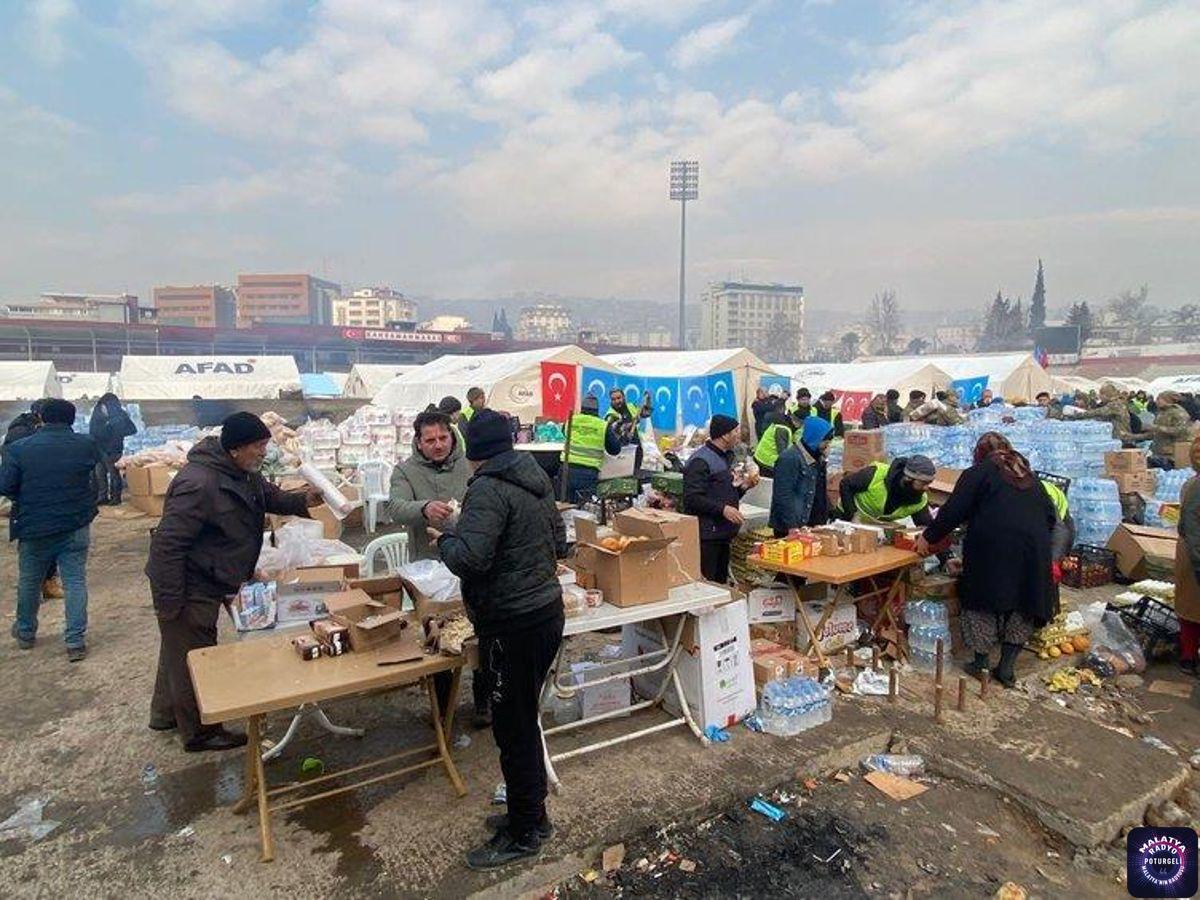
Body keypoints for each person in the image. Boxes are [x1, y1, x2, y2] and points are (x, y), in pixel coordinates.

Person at [431, 409, 567, 869]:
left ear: (472, 449)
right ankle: (530, 816)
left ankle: (526, 830)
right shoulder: (535, 476)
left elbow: (470, 559)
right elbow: (559, 541)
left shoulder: (488, 488)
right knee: (522, 721)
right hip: (545, 612)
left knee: (515, 729)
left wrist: (445, 539)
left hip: (513, 622)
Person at [145, 413, 322, 751]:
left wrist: (304, 500)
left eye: (265, 445)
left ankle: (166, 713)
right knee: (194, 654)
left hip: (220, 571)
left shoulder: (243, 472)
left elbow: (270, 497)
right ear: (236, 448)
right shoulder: (198, 483)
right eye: (258, 447)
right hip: (191, 581)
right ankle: (200, 732)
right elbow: (167, 546)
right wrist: (169, 601)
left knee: (178, 646)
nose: (263, 452)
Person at [917, 433, 1055, 688]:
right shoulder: (1028, 476)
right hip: (1032, 549)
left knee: (982, 599)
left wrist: (929, 537)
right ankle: (1007, 669)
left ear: (979, 453)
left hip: (992, 546)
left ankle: (980, 663)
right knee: (1022, 602)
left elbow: (954, 511)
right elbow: (1050, 516)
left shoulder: (978, 473)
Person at [387, 408, 491, 726]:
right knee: (441, 639)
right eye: (430, 440)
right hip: (431, 569)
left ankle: (484, 704)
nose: (438, 445)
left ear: (452, 436)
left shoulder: (468, 464)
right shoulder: (405, 471)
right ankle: (442, 708)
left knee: (481, 633)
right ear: (418, 443)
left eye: (443, 437)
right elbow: (395, 507)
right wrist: (424, 508)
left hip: (472, 560)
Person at [0, 399, 102, 661]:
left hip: (35, 526)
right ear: (71, 420)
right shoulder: (85, 444)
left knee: (29, 581)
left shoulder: (20, 449)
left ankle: (25, 633)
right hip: (75, 523)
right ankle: (75, 641)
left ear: (42, 419)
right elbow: (92, 473)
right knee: (75, 581)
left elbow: (6, 486)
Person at [683, 414, 752, 583]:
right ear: (724, 435)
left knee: (721, 582)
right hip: (707, 534)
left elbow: (725, 492)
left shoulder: (726, 456)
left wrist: (744, 487)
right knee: (708, 582)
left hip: (724, 532)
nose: (739, 434)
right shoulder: (700, 461)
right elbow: (692, 498)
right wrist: (723, 509)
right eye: (735, 431)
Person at [769, 417, 834, 536]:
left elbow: (819, 490)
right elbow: (783, 494)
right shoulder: (790, 458)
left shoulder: (818, 457)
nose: (828, 445)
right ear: (815, 438)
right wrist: (792, 526)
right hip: (792, 527)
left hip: (811, 525)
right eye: (826, 441)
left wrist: (829, 515)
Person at [839, 455, 936, 525]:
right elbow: (846, 484)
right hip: (846, 518)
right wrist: (852, 516)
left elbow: (924, 525)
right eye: (923, 483)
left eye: (929, 483)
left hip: (874, 530)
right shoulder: (875, 474)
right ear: (908, 478)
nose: (926, 488)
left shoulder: (919, 500)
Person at [559, 394, 621, 504]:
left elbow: (565, 434)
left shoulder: (571, 420)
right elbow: (615, 450)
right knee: (585, 510)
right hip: (588, 473)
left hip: (566, 470)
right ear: (597, 410)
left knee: (565, 506)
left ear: (582, 409)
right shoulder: (603, 425)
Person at [1173, 436, 1200, 676]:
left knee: (1189, 608)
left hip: (1188, 551)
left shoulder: (1189, 485)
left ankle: (1188, 656)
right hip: (1195, 552)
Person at [88, 392, 137, 505]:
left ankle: (114, 497)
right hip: (102, 448)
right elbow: (93, 432)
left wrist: (116, 430)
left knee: (112, 474)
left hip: (112, 449)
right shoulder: (98, 414)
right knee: (101, 474)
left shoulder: (118, 414)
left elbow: (132, 429)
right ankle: (103, 497)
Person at [1146, 391, 1194, 468]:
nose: (1156, 401)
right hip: (1159, 452)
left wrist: (1156, 427)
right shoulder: (1162, 412)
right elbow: (1156, 433)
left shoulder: (1178, 412)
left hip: (1172, 455)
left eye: (1159, 399)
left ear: (1167, 400)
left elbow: (1181, 431)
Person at [752, 409, 794, 478]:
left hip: (761, 458)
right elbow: (783, 453)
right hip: (767, 463)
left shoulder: (777, 424)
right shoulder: (782, 429)